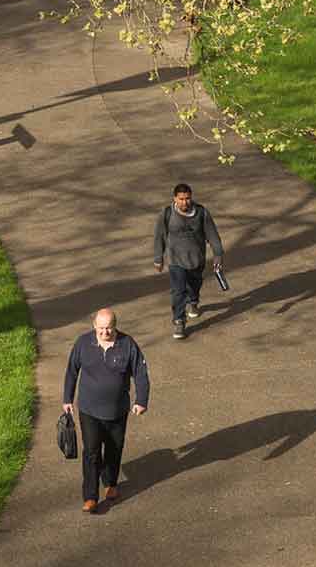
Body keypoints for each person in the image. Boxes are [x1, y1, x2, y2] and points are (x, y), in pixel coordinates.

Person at [62, 308, 150, 513]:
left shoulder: (127, 345)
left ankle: (110, 483)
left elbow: (141, 373)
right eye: (101, 329)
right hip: (89, 409)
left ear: (115, 326)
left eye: (109, 328)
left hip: (118, 410)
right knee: (92, 452)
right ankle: (90, 496)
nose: (105, 333)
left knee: (113, 448)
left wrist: (141, 400)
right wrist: (67, 398)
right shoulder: (83, 343)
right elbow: (71, 371)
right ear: (94, 326)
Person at [152, 182, 224, 339]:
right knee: (178, 291)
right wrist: (158, 258)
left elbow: (212, 234)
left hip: (196, 258)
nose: (185, 202)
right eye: (181, 199)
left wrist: (218, 254)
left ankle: (193, 302)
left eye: (188, 198)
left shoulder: (201, 213)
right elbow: (159, 236)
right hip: (175, 259)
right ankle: (179, 321)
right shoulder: (166, 213)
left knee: (195, 284)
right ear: (175, 199)